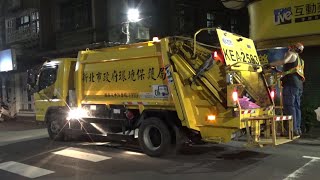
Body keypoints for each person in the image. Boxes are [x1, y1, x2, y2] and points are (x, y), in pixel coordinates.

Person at [269, 43, 305, 136]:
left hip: (290, 85)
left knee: (290, 106)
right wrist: (277, 71)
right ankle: (297, 129)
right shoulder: (300, 60)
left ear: (293, 48)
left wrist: (269, 64)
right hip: (298, 86)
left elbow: (284, 61)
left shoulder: (291, 54)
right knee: (296, 107)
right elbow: (290, 72)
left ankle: (292, 130)